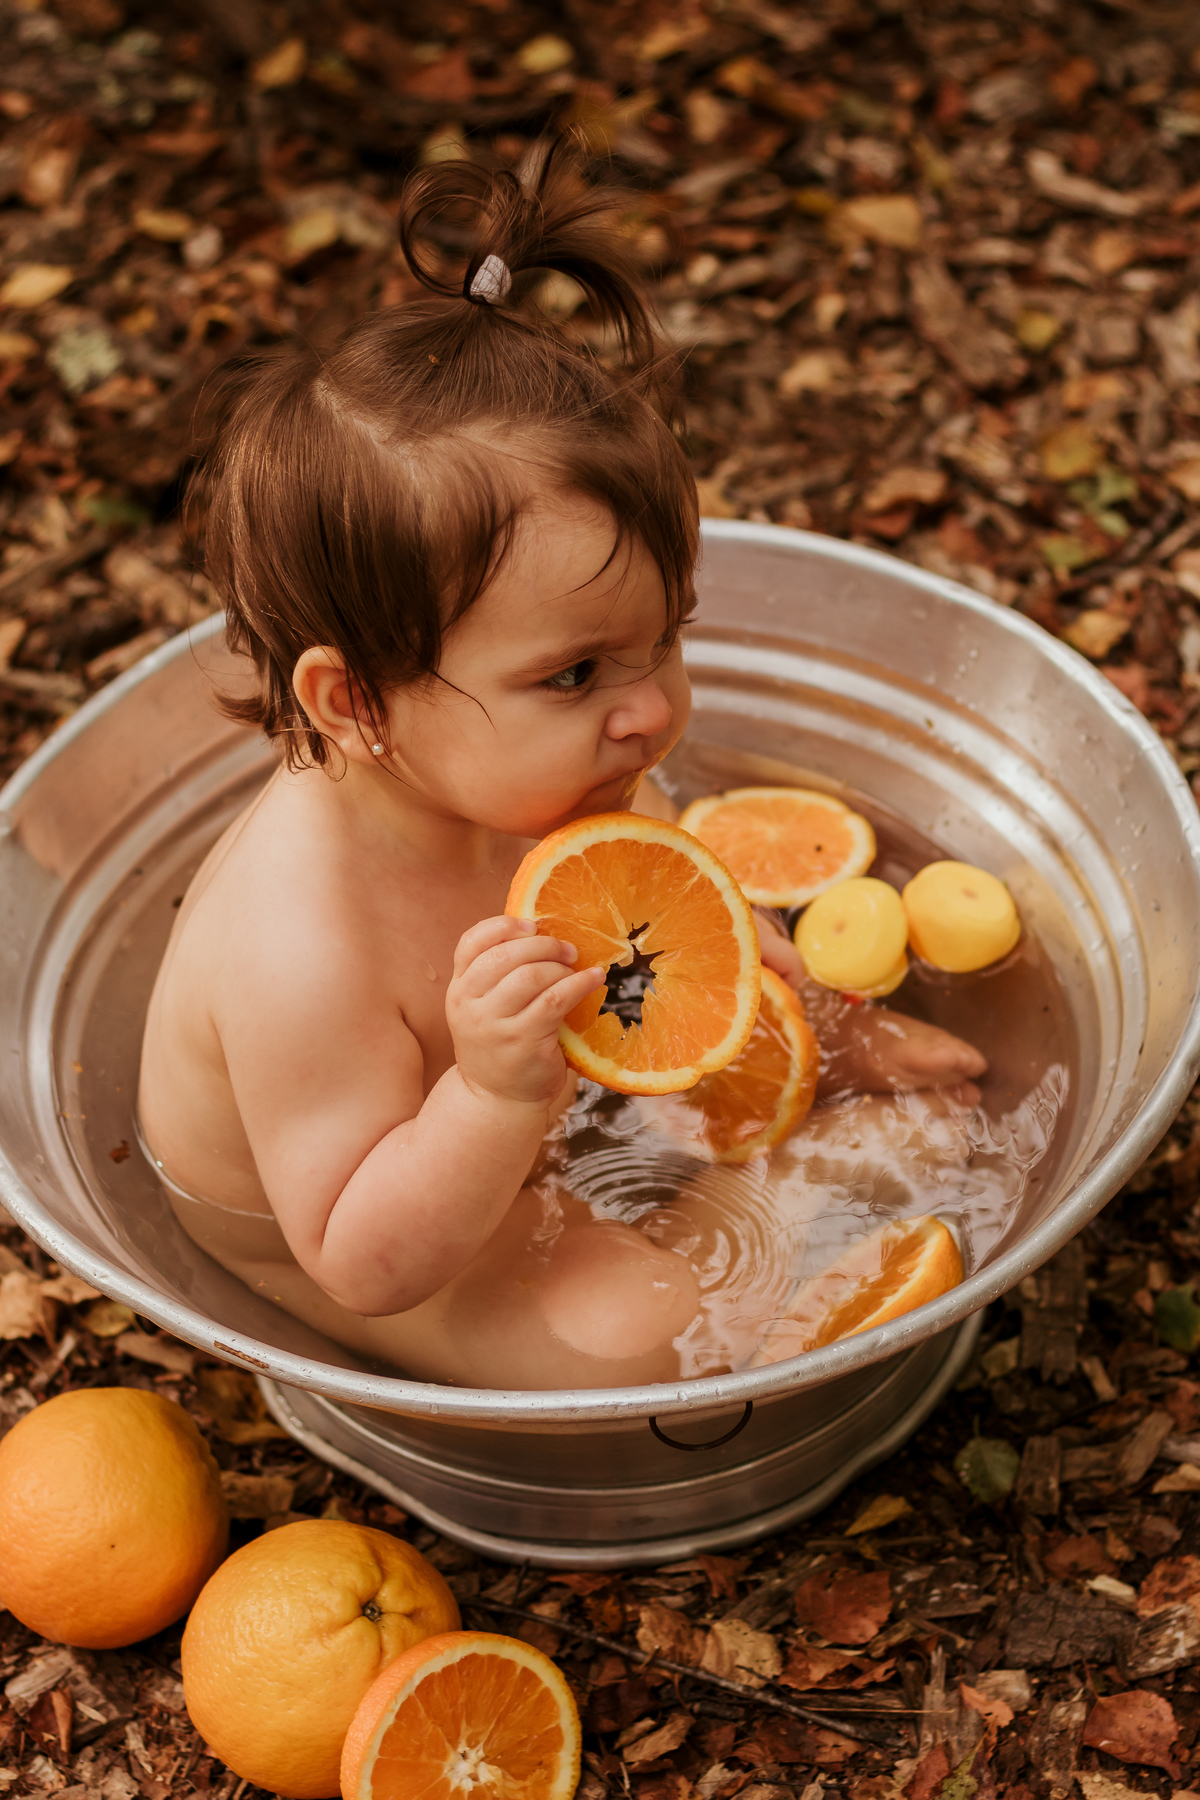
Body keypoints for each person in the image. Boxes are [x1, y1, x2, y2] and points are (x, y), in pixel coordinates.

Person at [138, 150, 985, 1389]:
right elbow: (360, 1258)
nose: (651, 711)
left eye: (670, 637)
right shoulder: (303, 948)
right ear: (356, 701)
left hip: (493, 1102)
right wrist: (488, 1096)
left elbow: (645, 893)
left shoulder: (545, 766)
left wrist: (747, 957)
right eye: (578, 674)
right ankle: (788, 1195)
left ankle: (802, 1105)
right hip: (350, 1222)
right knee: (632, 1333)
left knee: (832, 1064)